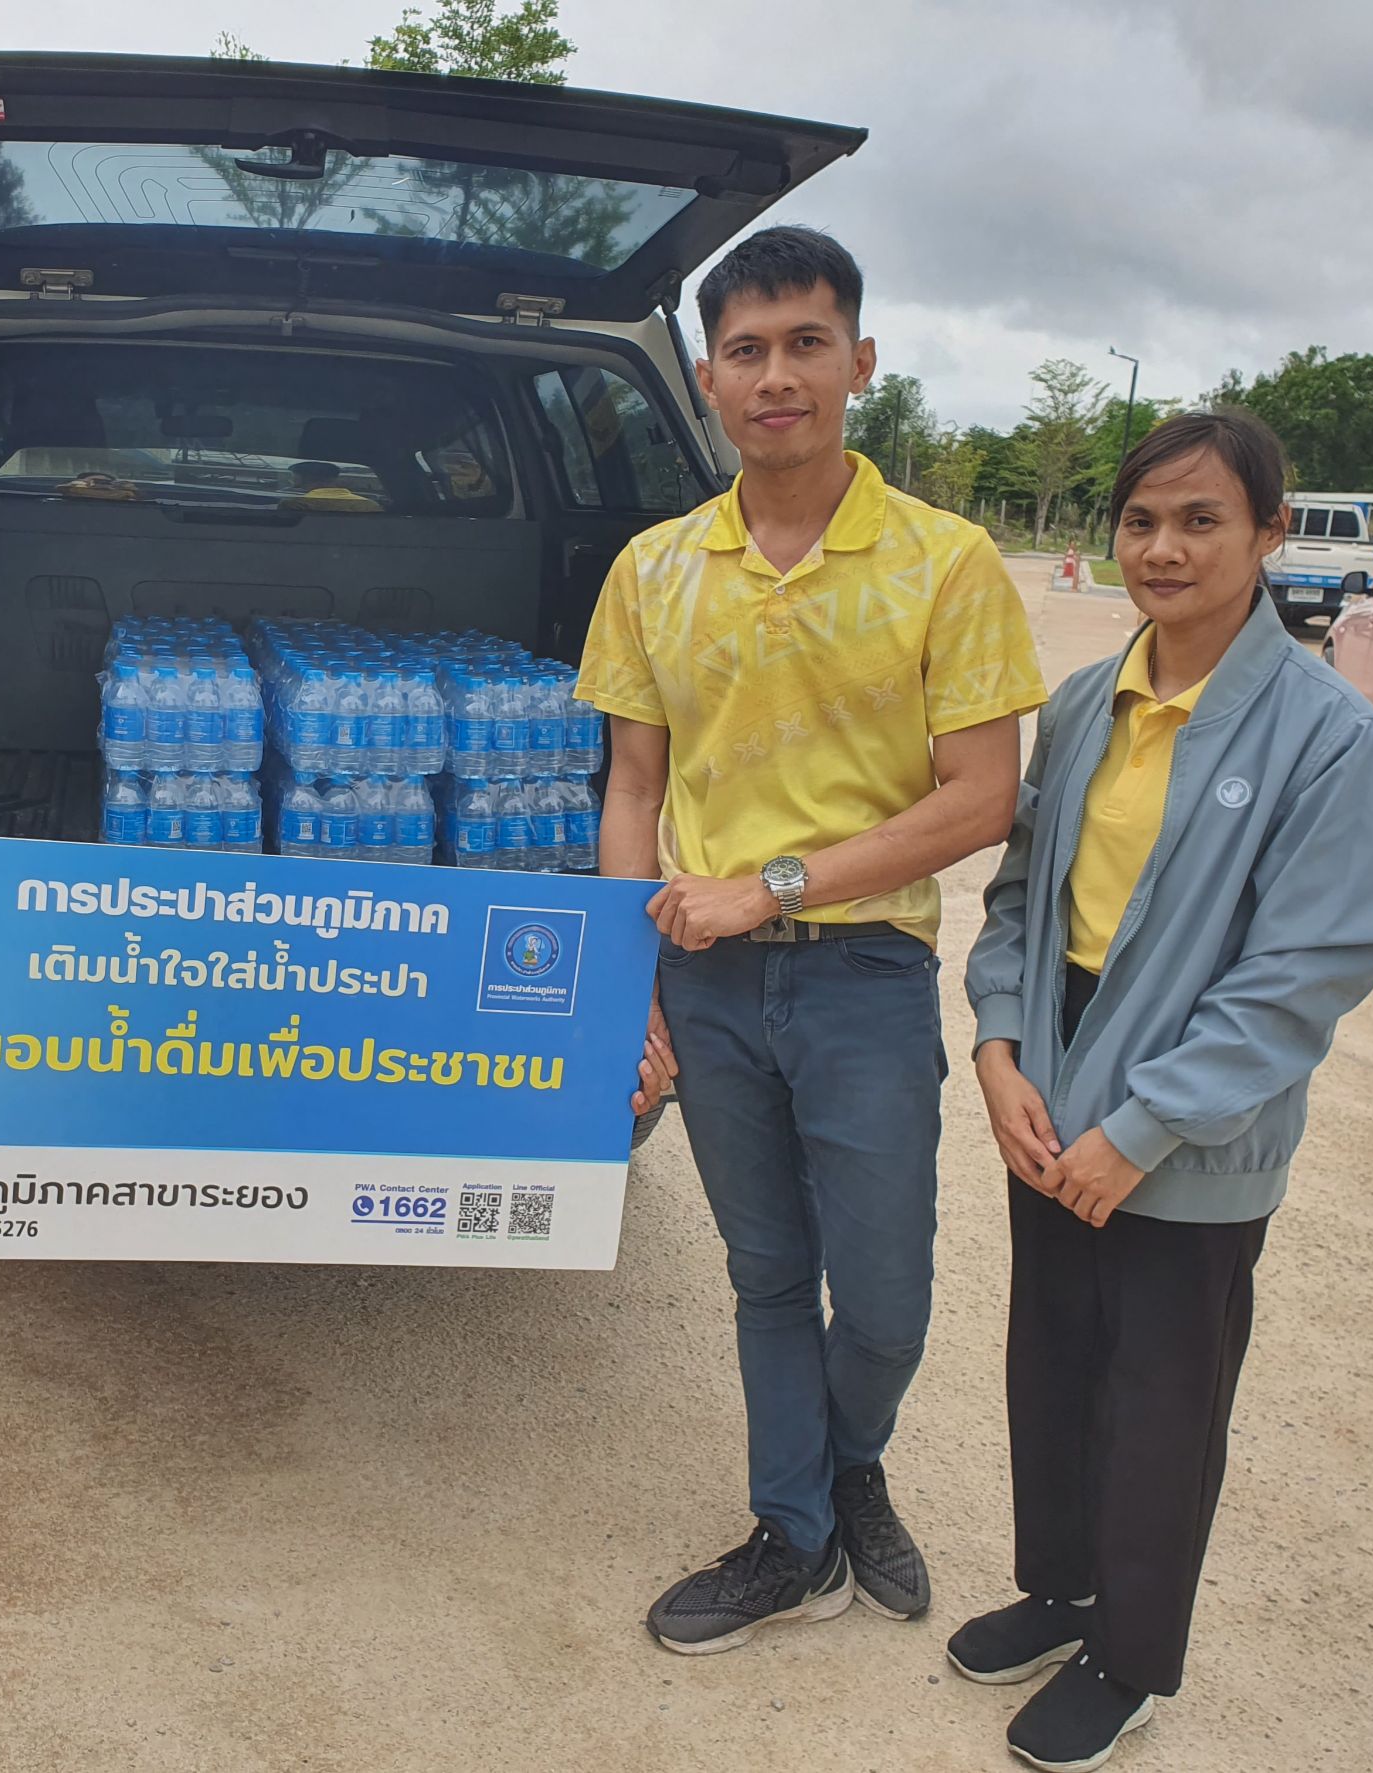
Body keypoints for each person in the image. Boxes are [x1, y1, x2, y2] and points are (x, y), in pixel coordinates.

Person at [574, 227, 1047, 1652]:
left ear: (861, 362)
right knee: (766, 1273)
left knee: (886, 1293)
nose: (777, 375)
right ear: (709, 379)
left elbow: (980, 798)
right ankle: (794, 1533)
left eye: (805, 344)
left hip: (860, 973)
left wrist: (771, 886)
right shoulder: (655, 570)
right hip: (703, 983)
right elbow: (634, 789)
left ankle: (848, 1467)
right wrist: (629, 982)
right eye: (747, 350)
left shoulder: (945, 563)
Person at [956, 410, 1373, 1770]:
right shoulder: (1088, 702)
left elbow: (1305, 968)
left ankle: (1131, 1657)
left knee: (1161, 1389)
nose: (1164, 547)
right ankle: (1062, 1588)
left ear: (1271, 535)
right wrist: (997, 1048)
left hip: (1192, 1112)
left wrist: (1142, 1127)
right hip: (1057, 1065)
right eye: (1142, 519)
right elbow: (1023, 898)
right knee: (1054, 1358)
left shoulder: (1327, 733)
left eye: (1203, 520)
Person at [279, 459, 383, 511]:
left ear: (302, 478)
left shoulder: (295, 505)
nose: (290, 479)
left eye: (293, 476)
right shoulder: (369, 505)